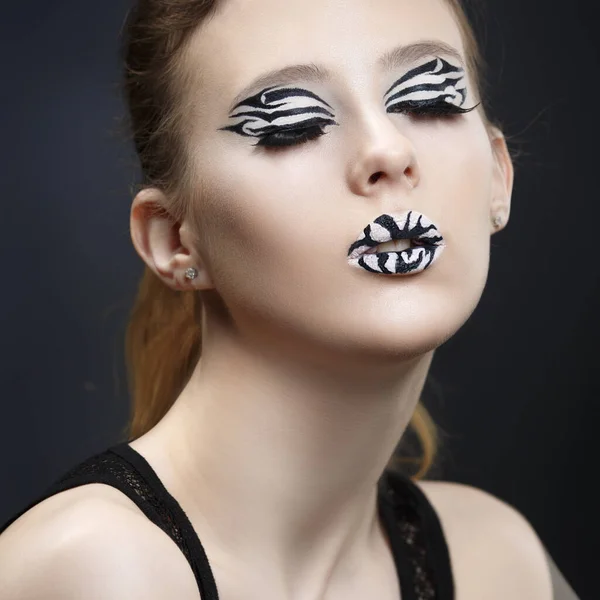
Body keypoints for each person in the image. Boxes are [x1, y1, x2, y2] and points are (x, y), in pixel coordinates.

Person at [0, 0, 581, 598]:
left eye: (428, 99)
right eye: (292, 125)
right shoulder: (95, 570)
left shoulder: (496, 564)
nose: (386, 151)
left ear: (498, 176)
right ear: (174, 237)